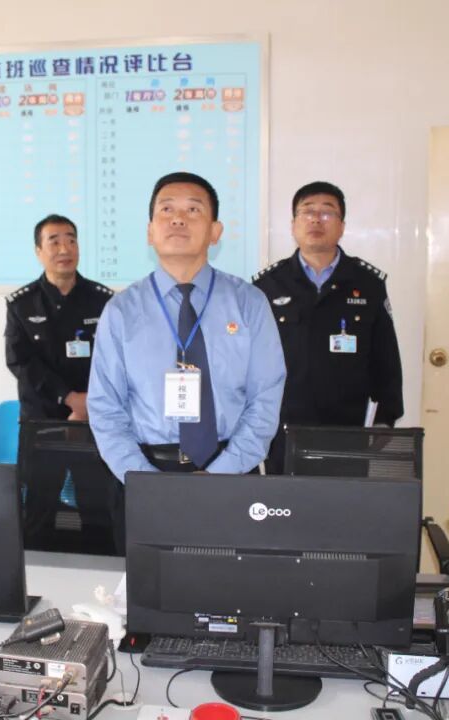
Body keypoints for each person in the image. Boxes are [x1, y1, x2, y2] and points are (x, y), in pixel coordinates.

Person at [89, 172, 285, 547]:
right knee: (148, 584)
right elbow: (105, 408)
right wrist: (144, 480)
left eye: (193, 210)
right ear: (150, 232)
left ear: (215, 232)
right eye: (167, 210)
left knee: (229, 582)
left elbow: (266, 398)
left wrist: (220, 474)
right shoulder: (121, 310)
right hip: (144, 477)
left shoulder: (249, 303)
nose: (178, 219)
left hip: (232, 474)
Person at [253, 181, 403, 473]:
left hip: (347, 428)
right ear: (293, 225)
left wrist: (386, 416)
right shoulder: (268, 285)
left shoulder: (367, 284)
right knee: (283, 500)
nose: (316, 220)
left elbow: (386, 356)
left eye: (327, 212)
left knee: (343, 500)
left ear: (342, 226)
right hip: (284, 427)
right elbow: (254, 361)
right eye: (307, 212)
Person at [5, 214, 114, 549]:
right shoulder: (22, 304)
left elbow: (115, 360)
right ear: (39, 251)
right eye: (54, 241)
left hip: (93, 421)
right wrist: (68, 398)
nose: (64, 249)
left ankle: (103, 577)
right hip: (42, 423)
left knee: (99, 509)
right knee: (38, 511)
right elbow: (20, 361)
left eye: (71, 240)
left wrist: (87, 404)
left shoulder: (102, 300)